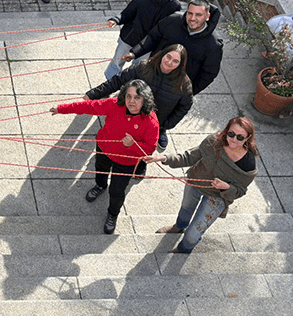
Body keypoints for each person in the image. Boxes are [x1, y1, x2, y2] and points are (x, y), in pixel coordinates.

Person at [50, 79, 159, 234]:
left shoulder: (151, 121)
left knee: (117, 191)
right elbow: (89, 107)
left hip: (126, 162)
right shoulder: (115, 105)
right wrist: (61, 109)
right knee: (100, 170)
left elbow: (150, 149)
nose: (131, 101)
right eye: (128, 96)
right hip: (104, 149)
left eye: (137, 97)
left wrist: (133, 145)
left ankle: (113, 214)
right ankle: (100, 186)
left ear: (145, 99)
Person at [144, 117, 259, 253]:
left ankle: (183, 250)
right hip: (195, 181)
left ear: (248, 138)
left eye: (240, 137)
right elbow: (189, 157)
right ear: (226, 130)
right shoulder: (213, 141)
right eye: (231, 134)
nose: (234, 139)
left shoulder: (248, 163)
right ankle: (178, 227)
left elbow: (240, 190)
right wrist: (164, 158)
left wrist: (227, 187)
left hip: (218, 196)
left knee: (193, 234)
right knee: (186, 208)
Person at [87, 44, 193, 149]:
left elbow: (185, 106)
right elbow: (118, 81)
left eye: (175, 61)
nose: (169, 62)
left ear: (181, 64)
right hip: (126, 117)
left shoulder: (184, 85)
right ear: (162, 54)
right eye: (168, 57)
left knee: (135, 152)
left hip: (150, 126)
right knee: (109, 144)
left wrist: (166, 125)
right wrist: (92, 94)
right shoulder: (143, 67)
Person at [124, 0, 223, 94]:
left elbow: (209, 74)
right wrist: (134, 52)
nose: (192, 18)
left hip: (175, 90)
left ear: (207, 16)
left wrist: (188, 92)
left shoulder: (213, 44)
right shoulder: (173, 20)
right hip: (152, 76)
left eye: (198, 15)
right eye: (190, 13)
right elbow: (153, 37)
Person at [103, 0, 182, 80]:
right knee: (116, 63)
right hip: (128, 39)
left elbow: (171, 27)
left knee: (137, 69)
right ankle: (109, 82)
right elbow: (126, 14)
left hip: (148, 46)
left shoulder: (174, 5)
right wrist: (115, 20)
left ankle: (129, 86)